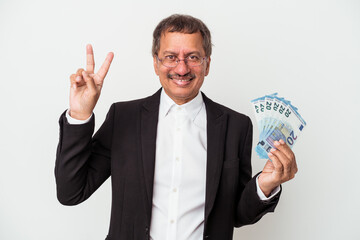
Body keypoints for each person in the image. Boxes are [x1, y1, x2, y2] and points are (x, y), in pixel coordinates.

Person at [55, 14, 297, 240]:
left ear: (207, 64)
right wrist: (78, 114)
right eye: (171, 57)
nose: (182, 69)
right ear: (156, 63)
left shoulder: (236, 126)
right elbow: (71, 192)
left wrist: (265, 185)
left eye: (192, 57)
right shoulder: (123, 117)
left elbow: (236, 214)